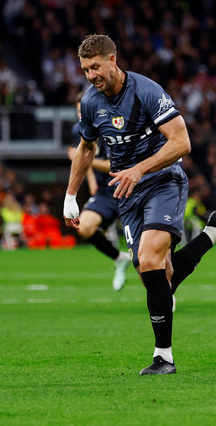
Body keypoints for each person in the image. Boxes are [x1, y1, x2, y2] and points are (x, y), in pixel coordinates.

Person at [64, 34, 216, 376]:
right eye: (85, 70)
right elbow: (86, 148)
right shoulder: (91, 102)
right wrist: (70, 197)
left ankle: (163, 357)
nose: (91, 75)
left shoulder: (146, 91)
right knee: (155, 275)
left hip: (163, 181)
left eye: (95, 67)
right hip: (127, 193)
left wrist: (138, 169)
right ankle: (214, 233)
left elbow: (182, 142)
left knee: (150, 260)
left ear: (112, 59)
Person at [68, 91, 132, 291]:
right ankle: (119, 258)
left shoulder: (113, 125)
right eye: (78, 110)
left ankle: (165, 291)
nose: (81, 114)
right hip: (106, 191)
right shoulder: (81, 128)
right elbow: (86, 154)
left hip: (129, 187)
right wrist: (90, 178)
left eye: (83, 110)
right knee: (84, 226)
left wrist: (89, 163)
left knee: (145, 252)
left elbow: (115, 165)